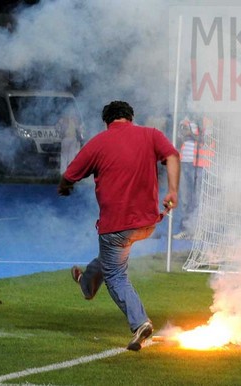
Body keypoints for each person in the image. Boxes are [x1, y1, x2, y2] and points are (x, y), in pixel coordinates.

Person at [58, 101, 180, 351]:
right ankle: (86, 284)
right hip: (147, 223)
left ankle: (140, 323)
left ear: (107, 121)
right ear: (131, 117)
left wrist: (64, 187)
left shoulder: (99, 142)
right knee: (110, 257)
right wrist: (173, 191)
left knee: (115, 273)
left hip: (116, 227)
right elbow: (172, 156)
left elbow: (70, 174)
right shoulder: (151, 135)